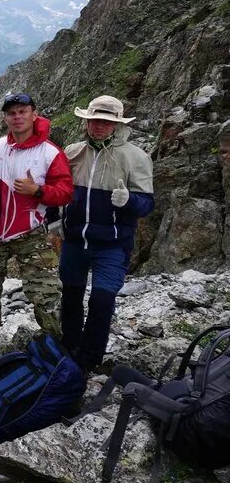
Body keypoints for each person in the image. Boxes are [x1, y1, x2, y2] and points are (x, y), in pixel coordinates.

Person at [59, 96, 154, 370]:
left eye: (106, 121)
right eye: (94, 120)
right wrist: (56, 225)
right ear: (86, 122)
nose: (99, 125)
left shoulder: (136, 157)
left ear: (117, 125)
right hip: (75, 239)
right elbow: (61, 192)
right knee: (71, 295)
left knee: (102, 299)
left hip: (113, 244)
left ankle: (89, 358)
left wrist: (130, 201)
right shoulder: (73, 152)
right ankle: (70, 346)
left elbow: (147, 204)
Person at [0, 92, 73, 341]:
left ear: (34, 113)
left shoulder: (50, 153)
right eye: (12, 113)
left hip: (31, 232)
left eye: (23, 111)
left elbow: (65, 193)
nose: (17, 117)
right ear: (4, 118)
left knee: (45, 290)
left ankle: (53, 339)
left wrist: (38, 191)